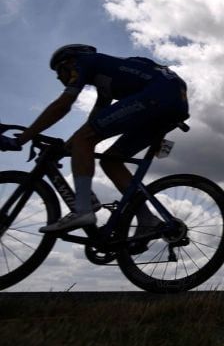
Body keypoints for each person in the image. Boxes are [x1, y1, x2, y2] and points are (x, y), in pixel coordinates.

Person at [0, 44, 189, 233]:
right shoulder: (106, 82)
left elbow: (63, 106)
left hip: (158, 95)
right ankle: (147, 219)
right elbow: (94, 123)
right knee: (110, 160)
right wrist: (69, 147)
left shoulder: (84, 62)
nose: (58, 77)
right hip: (172, 103)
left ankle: (83, 209)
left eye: (59, 71)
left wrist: (21, 140)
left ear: (69, 62)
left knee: (85, 140)